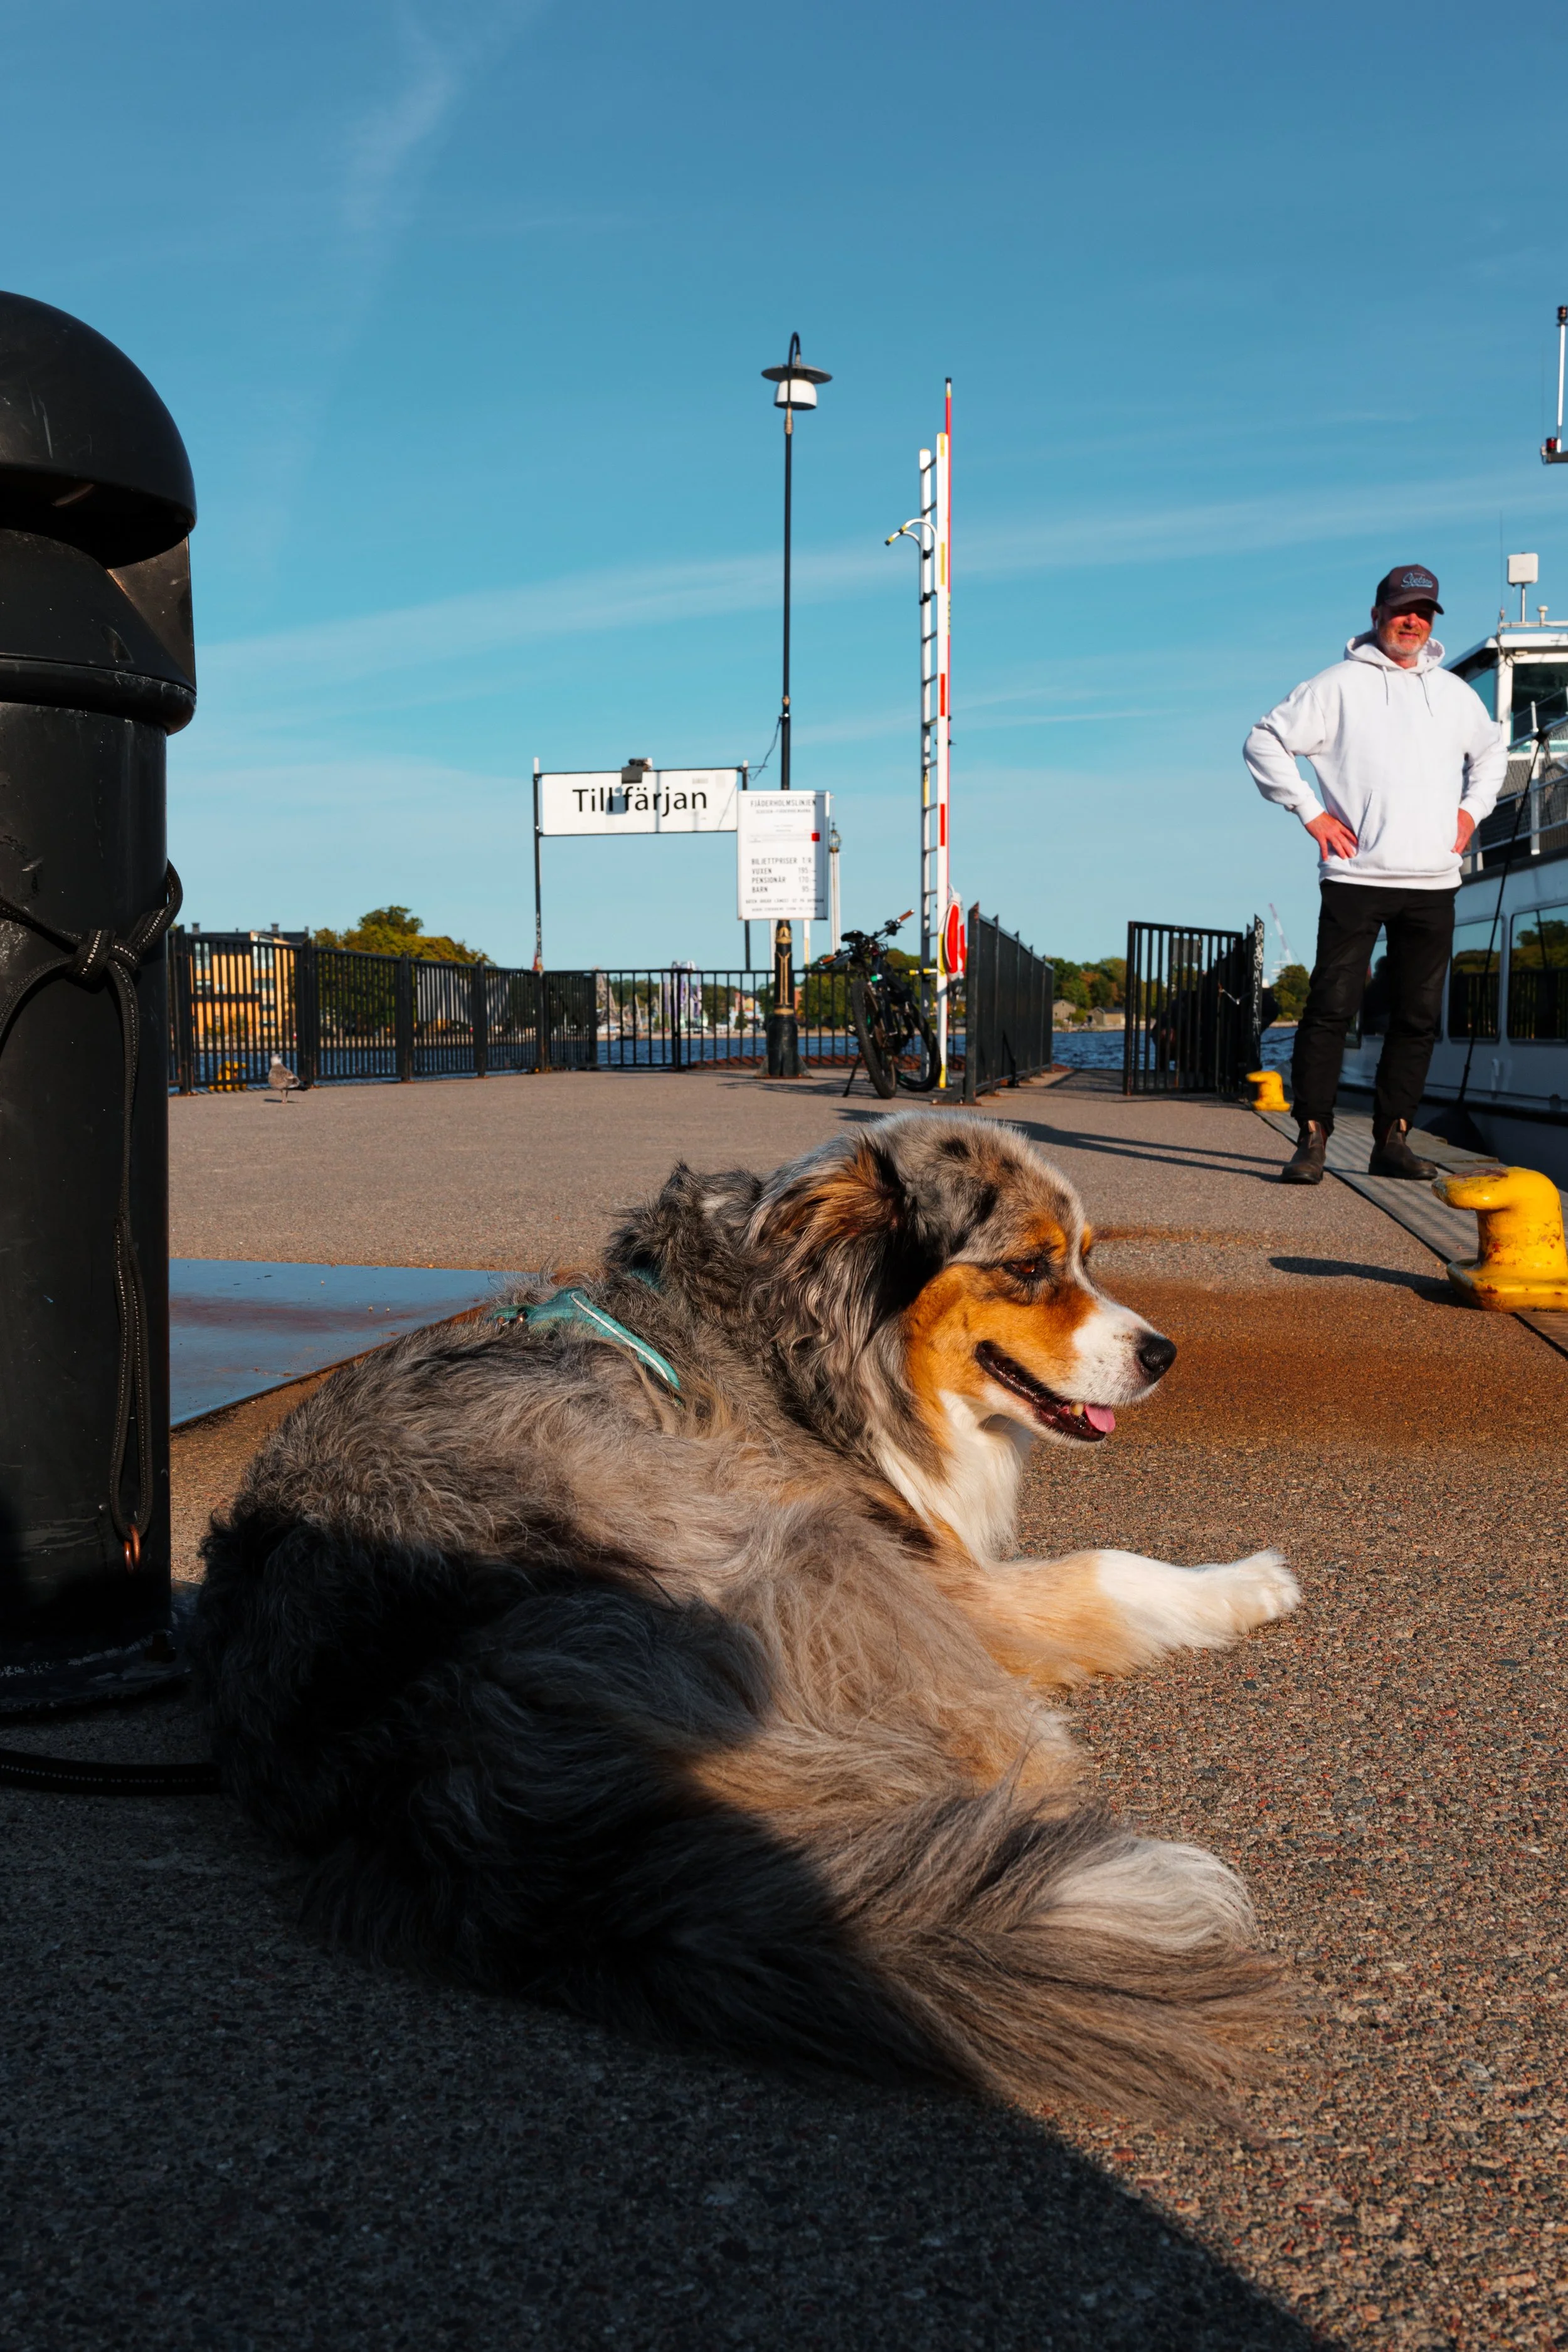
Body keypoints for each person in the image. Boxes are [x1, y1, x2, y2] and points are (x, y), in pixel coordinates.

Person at [1243, 564, 1506, 1183]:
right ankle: (1311, 1138)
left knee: (1416, 1018)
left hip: (1433, 882)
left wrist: (1470, 813)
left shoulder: (1451, 694)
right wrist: (1310, 814)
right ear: (1376, 614)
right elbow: (1264, 741)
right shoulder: (1337, 686)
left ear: (1431, 621)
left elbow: (1491, 752)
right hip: (1355, 876)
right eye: (1401, 610)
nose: (1412, 621)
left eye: (1423, 613)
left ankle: (1393, 1142)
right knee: (1330, 1007)